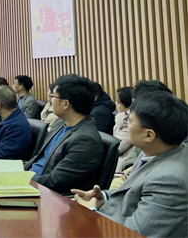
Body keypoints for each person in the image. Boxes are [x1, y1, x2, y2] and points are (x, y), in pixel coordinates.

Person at [73, 91, 188, 238]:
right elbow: (136, 193)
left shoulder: (170, 181)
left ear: (149, 135)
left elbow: (132, 234)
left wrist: (90, 212)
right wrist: (104, 197)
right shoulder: (158, 149)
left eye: (129, 121)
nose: (126, 125)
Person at [24, 74, 103, 195]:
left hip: (45, 194)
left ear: (65, 103)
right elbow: (38, 158)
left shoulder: (85, 140)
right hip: (30, 181)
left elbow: (55, 181)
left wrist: (20, 180)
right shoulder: (60, 123)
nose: (51, 100)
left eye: (53, 96)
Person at [113, 87, 134, 171]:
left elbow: (118, 147)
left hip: (124, 164)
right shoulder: (121, 119)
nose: (115, 104)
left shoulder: (128, 121)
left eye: (118, 102)